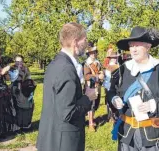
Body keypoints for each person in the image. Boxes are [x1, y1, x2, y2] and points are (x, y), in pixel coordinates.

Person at [110, 26, 159, 151]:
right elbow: (111, 91)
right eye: (131, 46)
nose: (133, 49)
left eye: (137, 45)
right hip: (127, 134)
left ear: (148, 46)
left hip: (153, 135)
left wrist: (153, 105)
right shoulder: (121, 70)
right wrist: (114, 99)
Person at [36, 22, 93, 151]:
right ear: (75, 42)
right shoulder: (66, 69)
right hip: (64, 143)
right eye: (85, 39)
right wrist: (87, 98)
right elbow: (68, 113)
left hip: (52, 137)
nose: (86, 43)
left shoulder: (56, 63)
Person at [10, 54, 36, 130]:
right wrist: (17, 70)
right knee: (16, 106)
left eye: (20, 61)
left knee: (27, 105)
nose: (19, 63)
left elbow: (28, 77)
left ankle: (25, 123)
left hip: (24, 88)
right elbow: (12, 79)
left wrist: (30, 83)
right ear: (14, 61)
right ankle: (17, 125)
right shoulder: (12, 68)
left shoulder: (26, 68)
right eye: (17, 61)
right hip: (15, 88)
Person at [0, 50, 13, 137]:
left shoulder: (1, 65)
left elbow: (8, 79)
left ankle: (2, 132)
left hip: (3, 91)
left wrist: (7, 72)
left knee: (3, 112)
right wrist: (1, 73)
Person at [83, 45, 104, 131]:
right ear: (89, 54)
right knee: (91, 105)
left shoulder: (98, 62)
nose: (93, 54)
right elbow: (86, 76)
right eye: (91, 53)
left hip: (97, 86)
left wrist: (102, 74)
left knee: (96, 104)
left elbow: (101, 71)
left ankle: (92, 119)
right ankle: (91, 123)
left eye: (94, 52)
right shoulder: (86, 63)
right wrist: (98, 76)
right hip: (90, 86)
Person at [103, 50, 120, 122]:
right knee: (111, 102)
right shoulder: (110, 67)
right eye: (113, 58)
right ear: (110, 58)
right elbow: (108, 78)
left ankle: (112, 116)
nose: (115, 59)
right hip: (110, 86)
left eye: (116, 57)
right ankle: (112, 116)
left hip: (115, 86)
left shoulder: (118, 65)